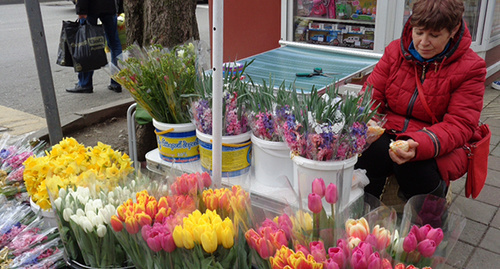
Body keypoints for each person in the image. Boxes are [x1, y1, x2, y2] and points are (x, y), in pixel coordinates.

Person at [356, 0, 487, 200]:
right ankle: (362, 211)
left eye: (434, 35)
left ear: (453, 31)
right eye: (419, 32)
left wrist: (419, 144)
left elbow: (461, 124)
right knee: (365, 152)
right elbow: (370, 95)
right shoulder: (395, 51)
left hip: (438, 139)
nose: (423, 42)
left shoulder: (471, 67)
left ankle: (426, 224)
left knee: (414, 168)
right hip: (391, 128)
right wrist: (368, 119)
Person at [66, 0, 123, 94]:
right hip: (110, 7)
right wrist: (119, 8)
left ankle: (85, 84)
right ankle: (117, 82)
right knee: (115, 44)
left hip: (91, 7)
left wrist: (81, 10)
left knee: (86, 43)